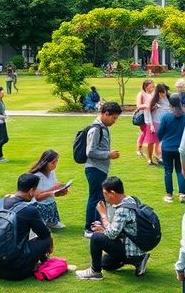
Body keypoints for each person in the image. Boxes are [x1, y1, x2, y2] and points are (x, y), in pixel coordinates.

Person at [76, 176, 151, 280]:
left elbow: (112, 234)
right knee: (106, 264)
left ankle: (95, 272)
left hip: (130, 250)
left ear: (112, 193)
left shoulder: (123, 209)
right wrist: (103, 229)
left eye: (105, 194)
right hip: (137, 246)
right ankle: (139, 260)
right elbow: (119, 230)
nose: (104, 198)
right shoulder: (131, 199)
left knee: (96, 238)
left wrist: (103, 214)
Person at [0, 173, 54, 280]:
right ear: (31, 191)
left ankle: (35, 261)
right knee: (47, 239)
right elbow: (44, 234)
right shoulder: (28, 210)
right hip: (18, 272)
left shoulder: (0, 202)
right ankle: (43, 264)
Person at [84, 102, 123, 237]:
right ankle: (89, 228)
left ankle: (96, 225)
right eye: (114, 118)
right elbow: (90, 152)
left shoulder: (103, 127)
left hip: (100, 168)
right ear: (106, 114)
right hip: (94, 168)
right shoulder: (95, 129)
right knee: (94, 198)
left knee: (99, 197)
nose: (114, 121)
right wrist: (108, 154)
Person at [158, 93, 185, 204]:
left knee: (168, 171)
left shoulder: (166, 116)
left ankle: (169, 195)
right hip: (181, 148)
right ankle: (182, 193)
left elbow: (160, 133)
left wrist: (162, 140)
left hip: (167, 147)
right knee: (180, 170)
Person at [28, 150, 70, 230]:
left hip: (49, 204)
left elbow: (54, 193)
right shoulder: (37, 176)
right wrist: (54, 189)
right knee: (42, 228)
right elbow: (38, 197)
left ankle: (51, 222)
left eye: (56, 161)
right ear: (45, 162)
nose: (55, 164)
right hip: (39, 205)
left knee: (51, 203)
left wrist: (62, 191)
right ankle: (41, 223)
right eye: (53, 162)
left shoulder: (52, 172)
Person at [136, 79, 156, 159]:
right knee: (144, 133)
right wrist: (147, 105)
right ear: (146, 87)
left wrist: (154, 106)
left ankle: (145, 151)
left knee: (145, 134)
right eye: (151, 86)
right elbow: (139, 106)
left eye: (153, 86)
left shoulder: (151, 94)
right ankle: (139, 149)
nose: (152, 88)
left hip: (150, 117)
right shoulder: (141, 94)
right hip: (143, 117)